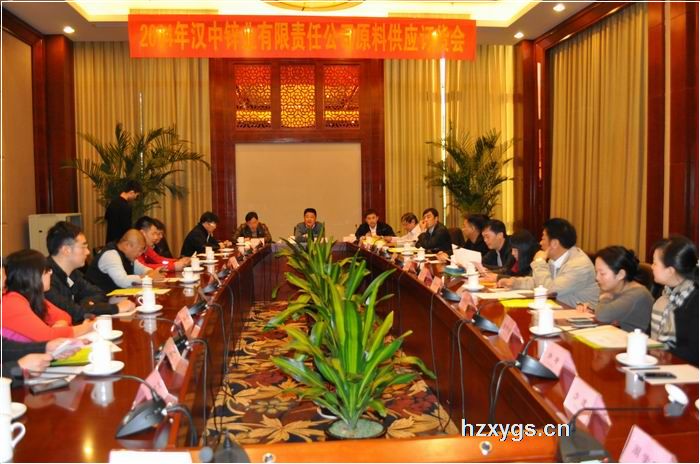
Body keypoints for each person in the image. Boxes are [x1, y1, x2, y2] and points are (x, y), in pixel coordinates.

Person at [45, 221, 134, 323]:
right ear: (66, 250)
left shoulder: (73, 273)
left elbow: (99, 293)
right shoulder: (44, 278)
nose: (88, 252)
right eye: (83, 247)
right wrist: (116, 308)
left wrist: (85, 305)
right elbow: (73, 313)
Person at [498, 218, 598, 308]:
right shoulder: (555, 259)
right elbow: (540, 282)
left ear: (554, 243)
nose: (540, 243)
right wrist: (515, 283)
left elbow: (550, 290)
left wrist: (539, 262)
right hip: (560, 311)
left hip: (582, 318)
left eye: (543, 239)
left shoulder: (579, 265)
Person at [2, 250, 93, 342]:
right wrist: (86, 327)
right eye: (47, 270)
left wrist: (59, 326)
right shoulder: (11, 302)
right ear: (32, 276)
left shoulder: (32, 297)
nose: (50, 273)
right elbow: (47, 337)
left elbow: (64, 317)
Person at [650, 236, 698, 366]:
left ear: (670, 271)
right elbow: (650, 334)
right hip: (661, 363)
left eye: (655, 263)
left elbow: (694, 352)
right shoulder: (666, 295)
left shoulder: (695, 301)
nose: (652, 267)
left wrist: (660, 351)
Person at [581, 246, 653, 332]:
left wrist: (605, 297)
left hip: (631, 339)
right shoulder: (615, 287)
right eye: (596, 272)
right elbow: (605, 313)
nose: (597, 278)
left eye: (602, 273)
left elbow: (602, 316)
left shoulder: (637, 294)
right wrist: (590, 308)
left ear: (620, 274)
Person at [86, 229, 156, 293]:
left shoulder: (128, 256)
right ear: (127, 245)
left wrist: (150, 272)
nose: (140, 254)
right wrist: (147, 277)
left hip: (113, 296)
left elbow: (141, 268)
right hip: (97, 298)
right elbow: (123, 281)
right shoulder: (111, 255)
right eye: (139, 250)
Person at [104, 180, 142, 244]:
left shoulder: (112, 202)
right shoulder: (126, 207)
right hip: (120, 243)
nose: (135, 198)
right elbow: (127, 229)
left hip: (110, 242)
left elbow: (106, 217)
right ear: (132, 192)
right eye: (136, 195)